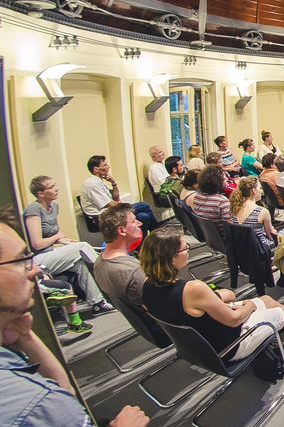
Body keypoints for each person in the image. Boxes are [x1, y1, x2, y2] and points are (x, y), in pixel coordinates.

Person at [0, 207, 150, 427]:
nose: (33, 270)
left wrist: (26, 336)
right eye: (21, 259)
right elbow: (55, 403)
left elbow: (66, 398)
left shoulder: (102, 263)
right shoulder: (37, 405)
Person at [141, 228, 284, 359]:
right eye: (184, 248)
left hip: (200, 344)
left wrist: (224, 299)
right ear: (172, 259)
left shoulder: (147, 288)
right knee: (280, 313)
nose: (188, 250)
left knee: (265, 299)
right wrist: (250, 305)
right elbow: (233, 320)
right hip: (227, 347)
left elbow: (192, 309)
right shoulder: (192, 289)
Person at [24, 175, 114, 320]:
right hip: (37, 259)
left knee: (80, 262)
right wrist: (57, 237)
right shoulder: (33, 209)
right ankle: (109, 273)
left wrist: (64, 240)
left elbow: (52, 236)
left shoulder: (54, 206)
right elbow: (36, 244)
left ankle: (98, 303)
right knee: (82, 247)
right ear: (41, 193)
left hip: (50, 253)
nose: (56, 189)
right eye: (51, 187)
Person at [94, 204, 167, 344]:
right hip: (170, 329)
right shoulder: (133, 272)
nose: (140, 223)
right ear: (121, 230)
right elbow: (163, 308)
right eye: (134, 221)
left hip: (147, 325)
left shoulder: (99, 261)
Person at [79, 155, 157, 236]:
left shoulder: (99, 182)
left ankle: (140, 245)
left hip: (109, 212)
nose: (108, 167)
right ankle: (156, 234)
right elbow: (109, 204)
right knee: (144, 205)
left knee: (143, 217)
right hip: (101, 218)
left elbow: (116, 199)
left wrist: (113, 182)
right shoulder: (92, 184)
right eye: (105, 165)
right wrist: (124, 206)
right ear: (96, 169)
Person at [230, 177, 276, 251]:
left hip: (242, 249)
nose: (262, 191)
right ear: (254, 191)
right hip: (261, 250)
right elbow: (271, 236)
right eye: (260, 188)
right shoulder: (262, 211)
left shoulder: (234, 208)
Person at [191, 165, 233, 238]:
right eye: (224, 179)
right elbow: (231, 227)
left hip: (211, 236)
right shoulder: (221, 201)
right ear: (217, 182)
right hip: (225, 239)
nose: (226, 180)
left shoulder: (197, 197)